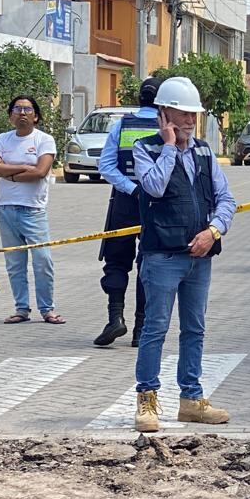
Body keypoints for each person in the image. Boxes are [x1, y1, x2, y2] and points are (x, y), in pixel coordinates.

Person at [131, 77, 237, 432]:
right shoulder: (146, 149)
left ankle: (191, 399)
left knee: (195, 329)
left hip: (199, 257)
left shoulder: (206, 151)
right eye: (183, 112)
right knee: (155, 329)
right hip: (161, 257)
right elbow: (154, 187)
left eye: (194, 113)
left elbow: (226, 199)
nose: (191, 119)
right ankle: (147, 400)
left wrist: (213, 231)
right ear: (164, 114)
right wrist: (169, 147)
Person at [94, 77, 160, 346]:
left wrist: (130, 188)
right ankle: (141, 329)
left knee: (116, 262)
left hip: (124, 201)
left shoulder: (122, 124)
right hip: (156, 205)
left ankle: (115, 319)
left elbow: (106, 166)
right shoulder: (167, 127)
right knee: (149, 265)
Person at [0, 96, 62, 325]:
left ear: (36, 116)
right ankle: (21, 309)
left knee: (42, 260)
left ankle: (47, 309)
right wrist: (21, 167)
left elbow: (40, 172)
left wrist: (7, 172)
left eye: (27, 109)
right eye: (17, 109)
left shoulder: (44, 140)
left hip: (33, 210)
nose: (22, 113)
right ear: (10, 116)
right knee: (15, 263)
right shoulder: (3, 140)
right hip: (6, 209)